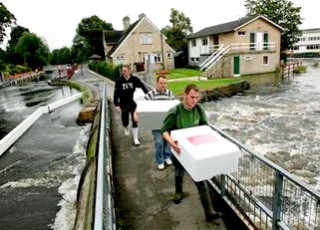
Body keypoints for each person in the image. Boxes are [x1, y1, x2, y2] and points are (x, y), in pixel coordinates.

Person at [161, 84, 223, 222]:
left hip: (194, 150)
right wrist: (171, 142)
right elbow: (164, 130)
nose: (194, 100)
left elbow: (205, 128)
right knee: (179, 170)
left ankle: (209, 212)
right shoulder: (175, 111)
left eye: (196, 97)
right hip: (178, 149)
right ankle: (178, 191)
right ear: (184, 95)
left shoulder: (199, 109)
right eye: (192, 97)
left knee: (201, 179)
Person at [144, 75, 175, 170]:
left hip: (167, 124)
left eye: (165, 83)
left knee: (167, 142)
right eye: (161, 83)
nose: (163, 85)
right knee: (159, 142)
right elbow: (143, 104)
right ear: (157, 83)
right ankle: (160, 161)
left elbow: (174, 107)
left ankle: (167, 157)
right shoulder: (151, 94)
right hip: (156, 124)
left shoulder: (170, 94)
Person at [114, 64, 148, 146]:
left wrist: (147, 97)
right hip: (124, 104)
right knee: (125, 120)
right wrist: (117, 105)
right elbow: (116, 94)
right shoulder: (119, 81)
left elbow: (143, 88)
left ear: (129, 71)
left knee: (135, 120)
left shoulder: (135, 79)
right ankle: (126, 126)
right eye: (122, 71)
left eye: (125, 71)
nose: (123, 72)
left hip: (134, 103)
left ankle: (135, 138)